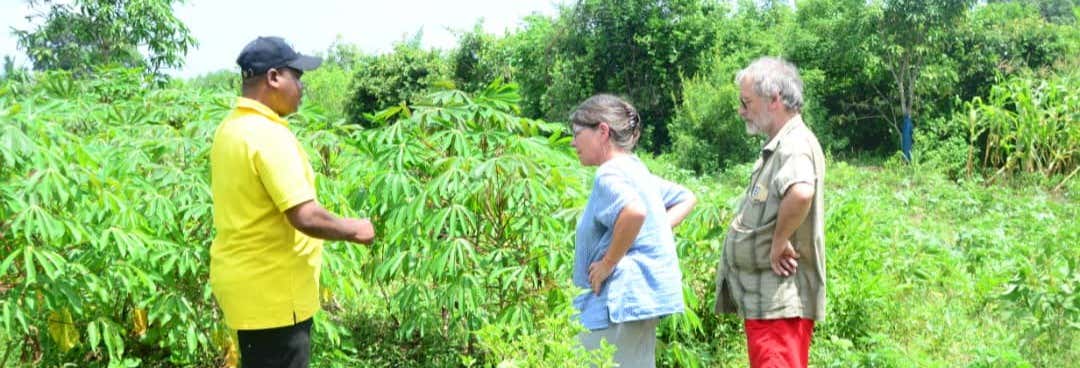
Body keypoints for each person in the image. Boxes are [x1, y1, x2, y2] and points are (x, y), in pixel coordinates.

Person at [209, 36, 375, 368]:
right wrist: (356, 228)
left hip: (249, 291)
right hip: (275, 297)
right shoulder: (267, 134)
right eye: (296, 76)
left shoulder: (231, 127)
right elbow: (305, 215)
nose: (301, 86)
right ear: (273, 77)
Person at [713, 57, 826, 368]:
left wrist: (779, 242)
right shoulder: (781, 144)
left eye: (747, 102)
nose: (741, 110)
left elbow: (801, 190)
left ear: (775, 99)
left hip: (779, 304)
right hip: (768, 304)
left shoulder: (794, 145)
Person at [570, 94, 697, 367]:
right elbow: (686, 197)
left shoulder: (609, 173)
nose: (573, 142)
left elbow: (634, 211)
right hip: (642, 301)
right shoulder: (635, 168)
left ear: (602, 131)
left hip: (619, 300)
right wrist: (651, 230)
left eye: (577, 133)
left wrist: (607, 263)